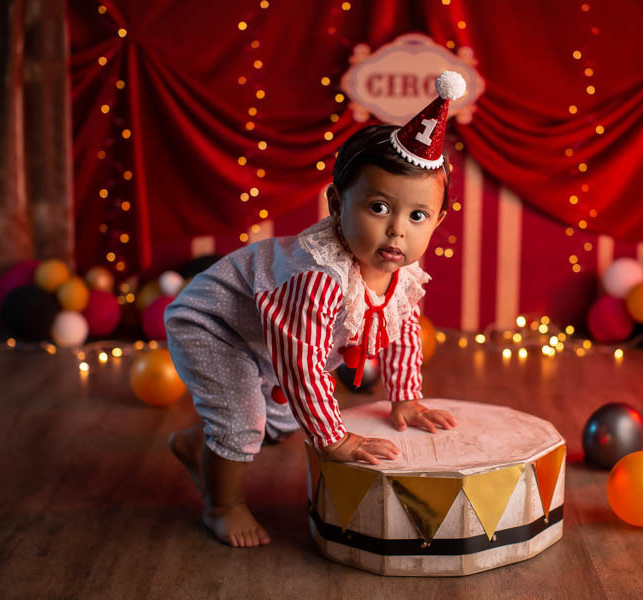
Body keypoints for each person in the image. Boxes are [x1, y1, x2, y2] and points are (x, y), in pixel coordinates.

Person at [165, 72, 468, 548]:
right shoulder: (319, 276)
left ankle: (196, 445)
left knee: (284, 421)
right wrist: (334, 438)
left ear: (437, 222)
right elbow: (302, 360)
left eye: (416, 216)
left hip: (265, 336)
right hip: (216, 324)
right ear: (336, 204)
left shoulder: (399, 272)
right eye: (378, 207)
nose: (397, 232)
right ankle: (221, 506)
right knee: (246, 419)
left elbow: (404, 327)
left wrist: (404, 395)